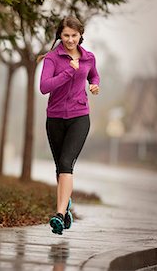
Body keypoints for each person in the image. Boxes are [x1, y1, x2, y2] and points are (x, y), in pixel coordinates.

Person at [38, 16, 100, 235]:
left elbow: (94, 75)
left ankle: (59, 215)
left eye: (74, 35)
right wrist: (69, 72)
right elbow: (44, 87)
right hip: (55, 118)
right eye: (66, 35)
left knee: (66, 163)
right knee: (60, 168)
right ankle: (67, 205)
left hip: (79, 117)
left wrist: (94, 85)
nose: (70, 40)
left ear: (80, 34)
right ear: (60, 35)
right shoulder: (52, 59)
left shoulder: (89, 57)